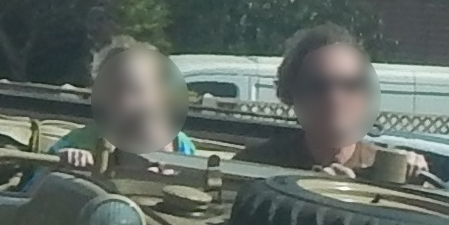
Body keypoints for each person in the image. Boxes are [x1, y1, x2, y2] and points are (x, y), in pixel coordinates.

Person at [235, 25, 426, 181]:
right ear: (291, 93)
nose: (334, 98)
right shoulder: (256, 166)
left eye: (350, 85)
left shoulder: (387, 172)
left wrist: (418, 184)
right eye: (318, 86)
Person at [53, 37, 195, 171]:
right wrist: (61, 167)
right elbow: (33, 189)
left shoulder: (177, 143)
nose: (124, 101)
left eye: (136, 90)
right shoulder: (76, 142)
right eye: (113, 90)